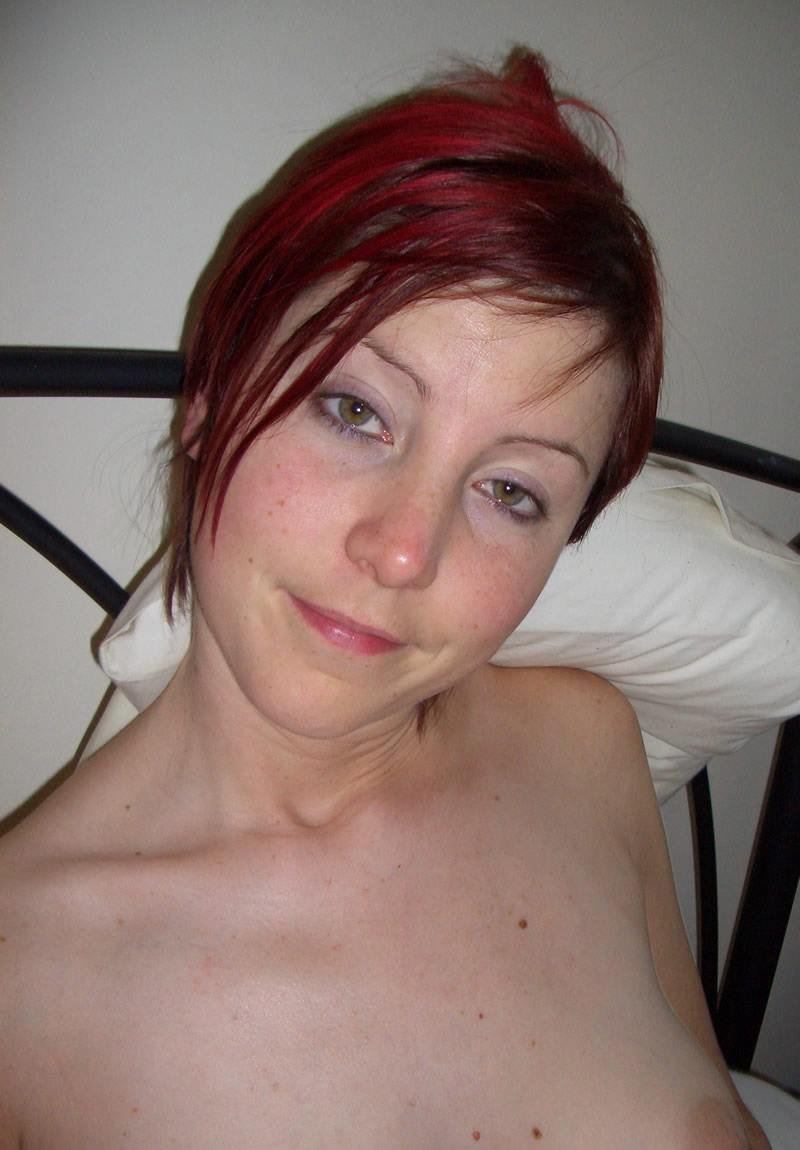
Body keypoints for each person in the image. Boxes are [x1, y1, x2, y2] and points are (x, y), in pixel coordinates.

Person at [0, 48, 768, 1148]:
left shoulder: (586, 744)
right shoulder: (23, 982)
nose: (405, 551)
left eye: (510, 490)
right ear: (210, 396)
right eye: (355, 410)